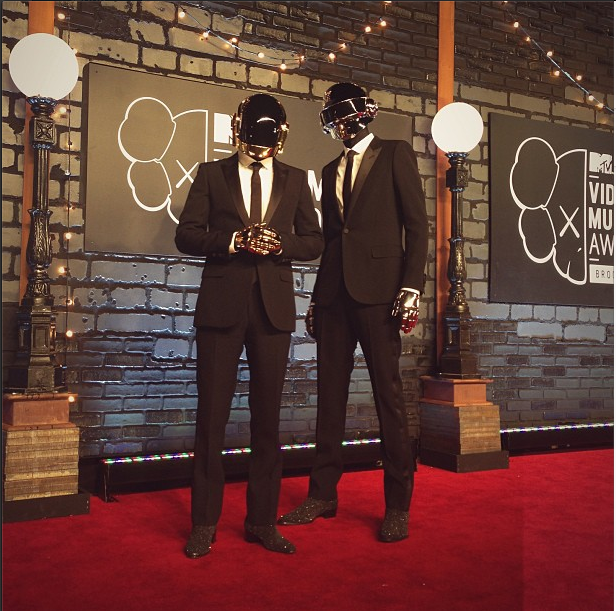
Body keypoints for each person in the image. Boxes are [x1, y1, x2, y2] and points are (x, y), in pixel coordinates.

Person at [278, 82, 428, 542]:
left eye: (343, 116)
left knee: (388, 398)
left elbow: (417, 226)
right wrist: (317, 299)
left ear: (362, 114)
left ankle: (397, 505)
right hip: (335, 297)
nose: (339, 126)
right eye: (332, 119)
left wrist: (411, 287)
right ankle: (322, 494)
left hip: (381, 294)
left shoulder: (395, 153)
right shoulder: (328, 170)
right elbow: (332, 240)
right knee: (329, 398)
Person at [175, 93, 323, 558]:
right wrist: (235, 240)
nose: (260, 146)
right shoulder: (210, 173)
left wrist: (279, 245)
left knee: (267, 422)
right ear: (237, 131)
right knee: (211, 419)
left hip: (273, 311)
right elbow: (186, 234)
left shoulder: (296, 179)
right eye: (253, 136)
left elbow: (314, 241)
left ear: (281, 136)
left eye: (269, 138)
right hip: (221, 307)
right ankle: (204, 523)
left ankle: (262, 521)